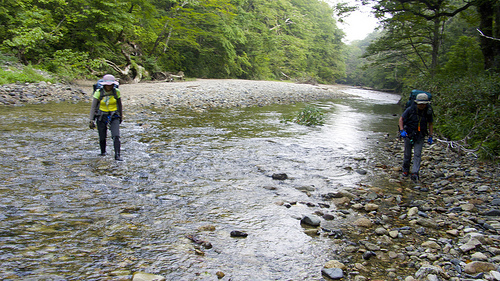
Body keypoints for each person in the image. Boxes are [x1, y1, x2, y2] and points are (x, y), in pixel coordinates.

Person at [398, 93, 433, 182]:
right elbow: (401, 119)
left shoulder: (428, 111)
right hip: (408, 134)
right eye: (420, 104)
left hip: (420, 135)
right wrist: (402, 130)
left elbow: (430, 124)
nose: (422, 106)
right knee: (407, 154)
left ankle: (415, 172)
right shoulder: (410, 110)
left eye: (423, 104)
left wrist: (430, 136)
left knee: (417, 154)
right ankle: (405, 170)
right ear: (416, 103)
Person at [89, 74, 123, 161]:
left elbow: (119, 104)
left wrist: (121, 116)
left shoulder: (116, 92)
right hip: (101, 116)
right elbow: (93, 107)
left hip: (114, 116)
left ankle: (117, 156)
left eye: (111, 84)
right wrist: (91, 119)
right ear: (104, 85)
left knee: (116, 136)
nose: (109, 86)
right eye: (107, 85)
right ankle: (103, 152)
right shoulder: (98, 92)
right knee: (102, 136)